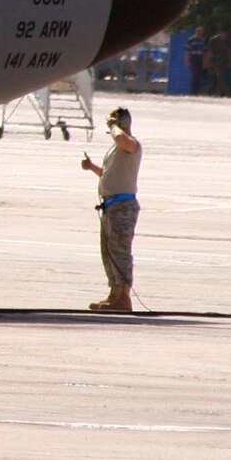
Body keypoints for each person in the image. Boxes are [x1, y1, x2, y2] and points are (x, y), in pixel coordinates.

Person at [80, 106, 141, 311]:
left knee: (120, 251)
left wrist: (114, 126)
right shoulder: (116, 149)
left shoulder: (130, 144)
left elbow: (125, 141)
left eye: (115, 122)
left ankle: (124, 297)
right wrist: (91, 168)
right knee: (109, 252)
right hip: (110, 206)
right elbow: (108, 175)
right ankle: (114, 293)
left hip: (123, 207)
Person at [184, 26, 207, 95]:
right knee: (195, 75)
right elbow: (187, 51)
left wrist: (205, 62)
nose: (200, 34)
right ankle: (193, 92)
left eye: (201, 33)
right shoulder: (191, 40)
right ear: (196, 32)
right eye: (199, 32)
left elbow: (205, 52)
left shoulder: (203, 40)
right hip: (193, 58)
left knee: (199, 76)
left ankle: (197, 91)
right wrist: (187, 61)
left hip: (200, 58)